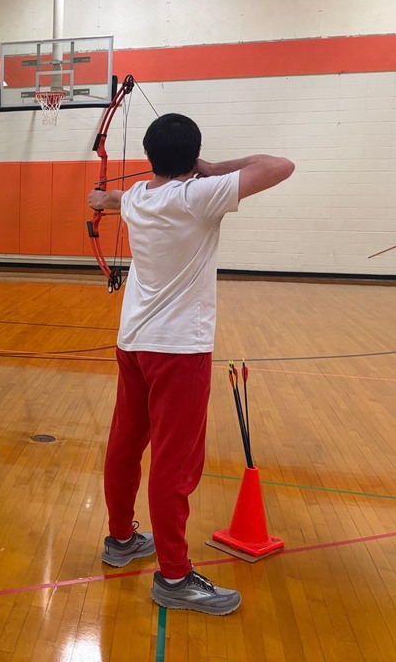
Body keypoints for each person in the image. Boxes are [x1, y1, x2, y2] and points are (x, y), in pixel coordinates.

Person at [88, 113, 294, 615]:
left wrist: (102, 199)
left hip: (132, 342)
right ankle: (175, 578)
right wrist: (213, 166)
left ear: (150, 156)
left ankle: (120, 541)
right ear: (192, 156)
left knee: (126, 442)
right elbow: (280, 164)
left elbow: (106, 199)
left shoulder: (137, 196)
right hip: (178, 351)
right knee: (175, 465)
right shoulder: (199, 196)